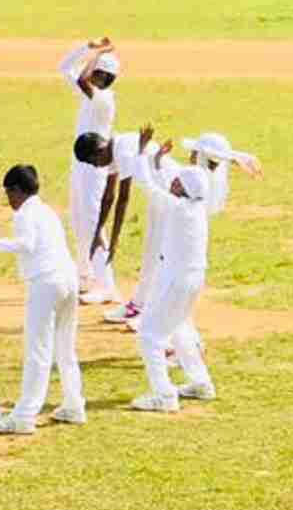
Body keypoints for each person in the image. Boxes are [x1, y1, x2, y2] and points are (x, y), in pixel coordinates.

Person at [0, 164, 85, 433]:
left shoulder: (24, 214)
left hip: (46, 284)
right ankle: (74, 405)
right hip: (69, 280)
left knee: (38, 352)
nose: (9, 201)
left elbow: (26, 244)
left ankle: (24, 417)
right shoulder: (47, 211)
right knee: (65, 348)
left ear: (17, 191)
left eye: (9, 194)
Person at [128, 137, 236, 413]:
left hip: (175, 281)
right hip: (192, 279)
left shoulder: (176, 208)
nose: (173, 181)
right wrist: (156, 161)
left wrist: (141, 154)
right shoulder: (194, 207)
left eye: (177, 181)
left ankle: (163, 395)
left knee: (149, 336)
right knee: (179, 328)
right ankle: (201, 383)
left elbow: (146, 184)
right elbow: (161, 183)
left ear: (183, 188)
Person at [74, 121, 157, 326]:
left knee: (155, 253)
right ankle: (141, 308)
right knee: (152, 252)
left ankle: (148, 313)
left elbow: (123, 199)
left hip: (166, 195)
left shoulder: (123, 151)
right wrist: (97, 233)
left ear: (99, 151)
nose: (96, 167)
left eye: (93, 162)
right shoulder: (113, 150)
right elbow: (108, 196)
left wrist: (114, 241)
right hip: (157, 196)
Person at [59, 38, 120, 296]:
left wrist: (97, 54)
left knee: (94, 223)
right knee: (78, 220)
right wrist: (89, 48)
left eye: (95, 71)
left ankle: (106, 285)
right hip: (80, 164)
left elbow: (82, 79)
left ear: (103, 77)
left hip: (95, 168)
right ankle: (85, 276)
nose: (90, 73)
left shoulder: (103, 99)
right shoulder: (91, 97)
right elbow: (64, 68)